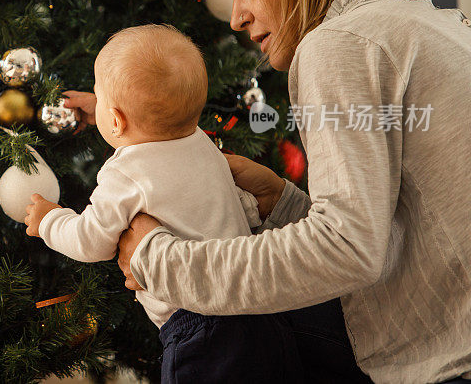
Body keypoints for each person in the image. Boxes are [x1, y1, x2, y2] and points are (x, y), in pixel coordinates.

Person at [90, 0, 471, 384]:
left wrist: (165, 264)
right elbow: (395, 233)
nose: (237, 16)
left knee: (217, 328)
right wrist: (284, 203)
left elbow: (348, 252)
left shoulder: (339, 42)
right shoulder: (430, 24)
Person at [24, 24, 304, 383]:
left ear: (115, 119)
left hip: (200, 329)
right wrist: (113, 105)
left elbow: (91, 240)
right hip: (262, 312)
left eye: (100, 93)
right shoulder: (203, 143)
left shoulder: (124, 173)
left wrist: (50, 220)